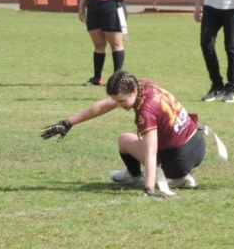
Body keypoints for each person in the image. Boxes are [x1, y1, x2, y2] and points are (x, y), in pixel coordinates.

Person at [40, 70, 206, 198]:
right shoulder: (144, 86)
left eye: (121, 101)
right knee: (148, 142)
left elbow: (151, 151)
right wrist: (69, 122)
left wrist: (149, 188)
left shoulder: (145, 111)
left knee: (125, 139)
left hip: (179, 161)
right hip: (198, 145)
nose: (118, 105)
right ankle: (182, 177)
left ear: (133, 91)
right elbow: (104, 105)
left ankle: (138, 177)